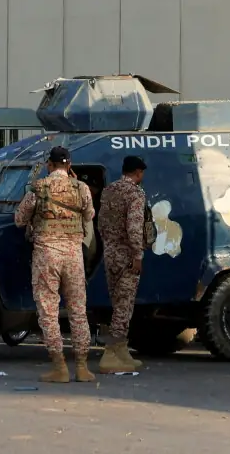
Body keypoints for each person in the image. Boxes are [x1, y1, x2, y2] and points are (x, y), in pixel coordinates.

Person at [15, 145, 96, 383]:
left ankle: (59, 367)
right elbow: (89, 216)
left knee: (49, 311)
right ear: (69, 165)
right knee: (78, 311)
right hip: (73, 256)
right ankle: (82, 367)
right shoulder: (82, 188)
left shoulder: (38, 188)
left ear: (49, 165)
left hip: (47, 255)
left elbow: (19, 220)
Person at [96, 155, 148, 372]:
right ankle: (109, 355)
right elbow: (134, 228)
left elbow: (100, 223)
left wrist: (110, 244)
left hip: (110, 253)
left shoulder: (109, 191)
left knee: (118, 302)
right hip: (127, 255)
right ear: (138, 173)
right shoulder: (135, 193)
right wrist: (137, 255)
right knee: (124, 307)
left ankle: (122, 352)